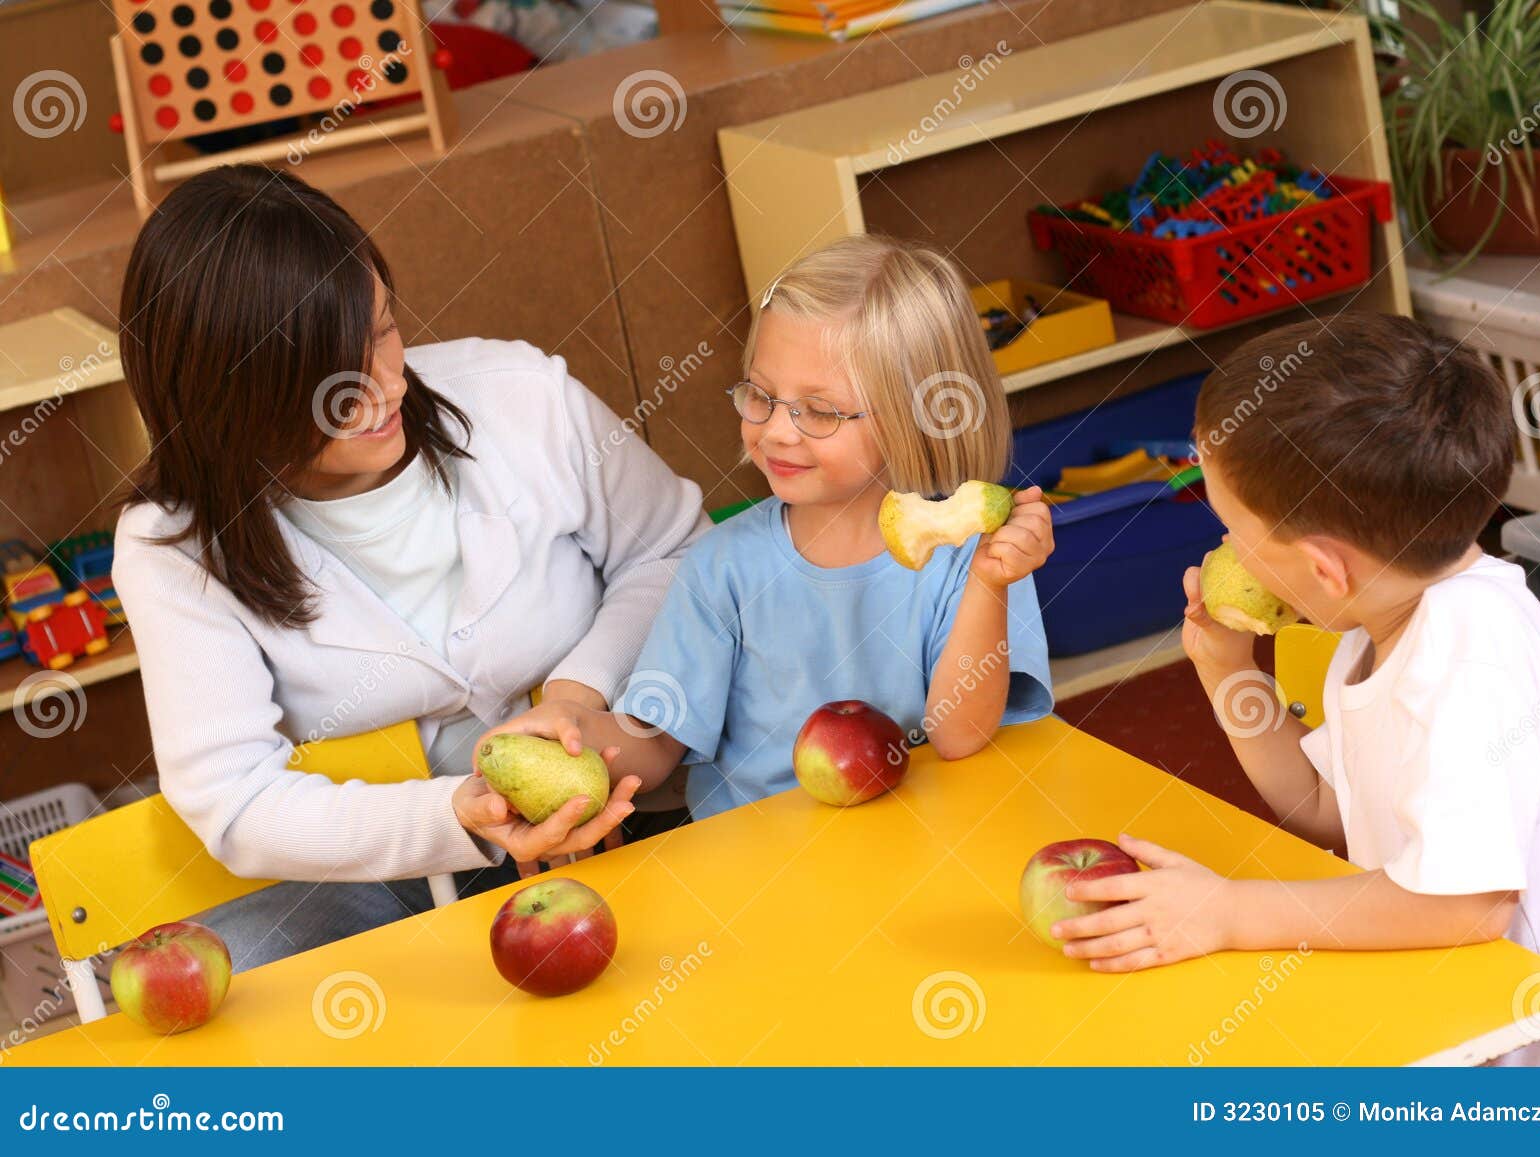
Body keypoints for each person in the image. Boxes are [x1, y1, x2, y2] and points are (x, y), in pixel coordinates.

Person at [113, 165, 707, 969]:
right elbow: (236, 799)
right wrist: (460, 814)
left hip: (638, 802)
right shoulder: (174, 547)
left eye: (384, 329)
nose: (390, 383)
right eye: (335, 374)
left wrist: (577, 691)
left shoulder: (519, 395)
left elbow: (674, 549)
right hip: (396, 877)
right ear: (234, 398)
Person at [1053, 314, 1540, 1066]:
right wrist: (1229, 671)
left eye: (1235, 533)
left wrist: (1229, 912)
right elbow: (1321, 808)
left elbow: (1470, 904)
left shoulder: (1469, 656)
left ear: (1325, 569)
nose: (1221, 553)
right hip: (1438, 1003)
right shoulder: (1373, 626)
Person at [488, 234, 1056, 818]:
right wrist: (577, 732)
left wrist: (989, 582)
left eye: (820, 411)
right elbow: (657, 746)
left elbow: (960, 737)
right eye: (761, 395)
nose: (779, 431)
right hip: (759, 872)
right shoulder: (721, 566)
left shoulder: (978, 560)